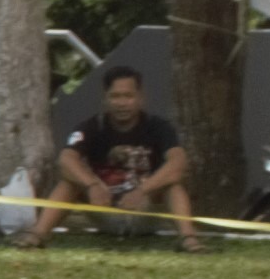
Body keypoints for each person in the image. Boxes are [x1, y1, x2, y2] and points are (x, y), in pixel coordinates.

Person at [37, 68, 206, 251]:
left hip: (145, 211)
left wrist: (143, 191)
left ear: (141, 98)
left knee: (173, 186)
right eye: (115, 96)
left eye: (128, 96)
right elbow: (65, 160)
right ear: (105, 99)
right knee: (68, 183)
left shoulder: (159, 127)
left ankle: (188, 238)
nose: (122, 103)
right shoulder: (92, 127)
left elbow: (178, 163)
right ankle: (38, 234)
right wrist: (92, 185)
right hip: (103, 208)